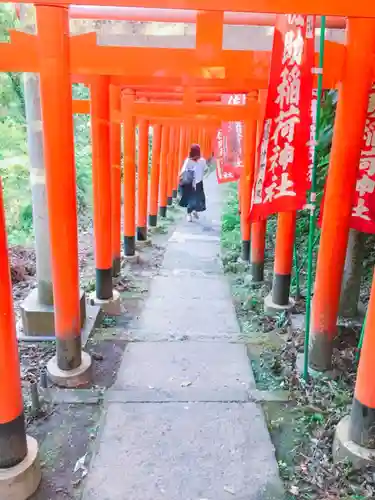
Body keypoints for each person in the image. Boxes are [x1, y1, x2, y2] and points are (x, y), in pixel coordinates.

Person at [179, 144, 207, 222]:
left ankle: (192, 212)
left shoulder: (191, 160)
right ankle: (190, 213)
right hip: (194, 183)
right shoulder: (201, 160)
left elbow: (183, 171)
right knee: (194, 199)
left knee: (194, 199)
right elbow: (205, 170)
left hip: (193, 183)